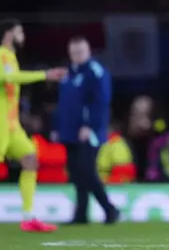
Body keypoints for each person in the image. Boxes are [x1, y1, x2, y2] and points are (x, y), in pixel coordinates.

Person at [0, 19, 66, 234]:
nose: (23, 36)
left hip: (11, 124)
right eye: (20, 32)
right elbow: (9, 78)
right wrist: (44, 75)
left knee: (31, 160)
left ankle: (29, 218)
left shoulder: (10, 57)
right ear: (8, 34)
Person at [53, 37, 119, 225]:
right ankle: (81, 214)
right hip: (69, 131)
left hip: (88, 133)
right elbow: (62, 104)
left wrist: (90, 125)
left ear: (89, 51)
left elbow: (101, 102)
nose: (77, 56)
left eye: (81, 52)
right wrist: (58, 127)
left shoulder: (96, 72)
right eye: (74, 52)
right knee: (76, 173)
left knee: (87, 171)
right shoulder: (67, 74)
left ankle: (109, 208)